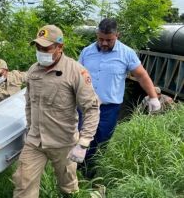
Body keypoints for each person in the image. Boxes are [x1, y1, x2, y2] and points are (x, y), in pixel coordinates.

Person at [12, 25, 100, 198]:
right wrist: (30, 129)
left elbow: (91, 108)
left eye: (46, 48)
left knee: (67, 187)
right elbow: (29, 103)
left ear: (60, 47)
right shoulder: (33, 70)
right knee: (23, 183)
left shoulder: (76, 71)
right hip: (35, 141)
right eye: (38, 47)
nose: (40, 51)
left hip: (63, 143)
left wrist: (83, 142)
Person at [78, 18, 161, 179]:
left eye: (108, 40)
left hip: (108, 109)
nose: (103, 43)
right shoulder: (87, 52)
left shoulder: (127, 54)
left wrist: (153, 97)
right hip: (84, 106)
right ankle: (74, 174)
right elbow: (75, 76)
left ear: (118, 35)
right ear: (97, 35)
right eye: (100, 39)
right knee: (80, 140)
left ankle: (90, 178)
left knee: (100, 143)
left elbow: (141, 75)